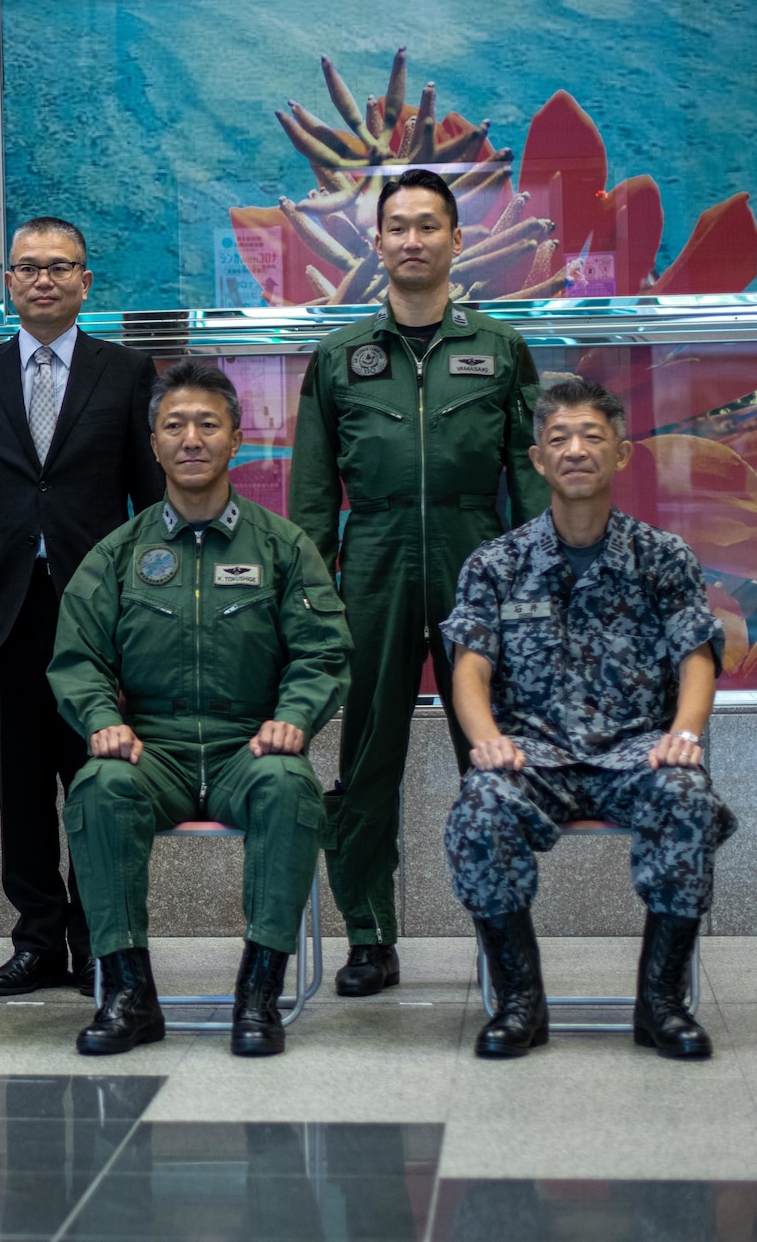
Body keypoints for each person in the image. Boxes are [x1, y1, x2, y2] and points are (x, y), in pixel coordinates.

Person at [288, 167, 549, 997]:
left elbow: (533, 476)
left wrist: (537, 582)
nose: (412, 240)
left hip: (481, 567)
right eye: (396, 226)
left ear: (455, 240)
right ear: (378, 242)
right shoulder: (339, 358)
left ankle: (503, 937)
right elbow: (310, 496)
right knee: (366, 759)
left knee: (493, 756)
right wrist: (312, 597)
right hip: (373, 565)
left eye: (428, 225)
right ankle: (369, 935)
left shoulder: (501, 349)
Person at [51, 360, 351, 1057]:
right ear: (152, 443)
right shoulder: (119, 553)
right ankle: (129, 991)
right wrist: (101, 718)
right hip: (150, 746)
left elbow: (323, 650)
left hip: (249, 744)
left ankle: (258, 990)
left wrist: (295, 716)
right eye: (174, 425)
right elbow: (77, 656)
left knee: (290, 787)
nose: (191, 438)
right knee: (98, 790)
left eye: (207, 424)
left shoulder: (283, 547)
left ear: (236, 439)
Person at [441, 377, 735, 1060]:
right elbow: (469, 669)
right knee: (480, 808)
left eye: (592, 436)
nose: (576, 450)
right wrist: (486, 742)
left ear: (621, 454)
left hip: (636, 751)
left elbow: (697, 659)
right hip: (532, 756)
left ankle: (660, 1004)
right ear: (538, 459)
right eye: (559, 439)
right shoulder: (498, 562)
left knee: (687, 798)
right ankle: (520, 1001)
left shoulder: (662, 557)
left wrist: (683, 735)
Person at [0, 216, 164, 998]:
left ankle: (99, 937)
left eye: (60, 267)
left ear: (85, 281)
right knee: (22, 787)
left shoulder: (128, 372)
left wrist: (144, 606)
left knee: (96, 778)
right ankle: (36, 938)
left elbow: (151, 502)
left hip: (101, 613)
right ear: (7, 281)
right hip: (7, 612)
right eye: (27, 267)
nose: (43, 279)